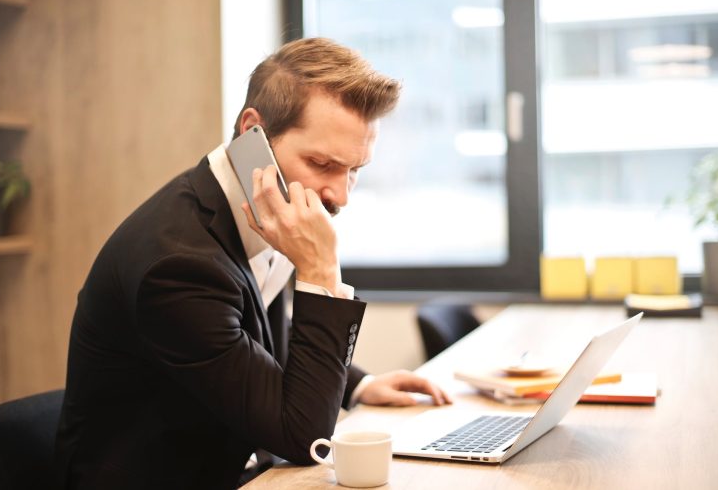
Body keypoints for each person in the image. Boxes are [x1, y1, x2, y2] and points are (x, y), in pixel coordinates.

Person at [54, 37, 451, 489]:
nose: (340, 196)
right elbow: (303, 438)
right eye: (322, 163)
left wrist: (355, 386)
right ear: (252, 134)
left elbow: (256, 341)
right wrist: (320, 272)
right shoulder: (177, 265)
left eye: (355, 170)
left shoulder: (258, 211)